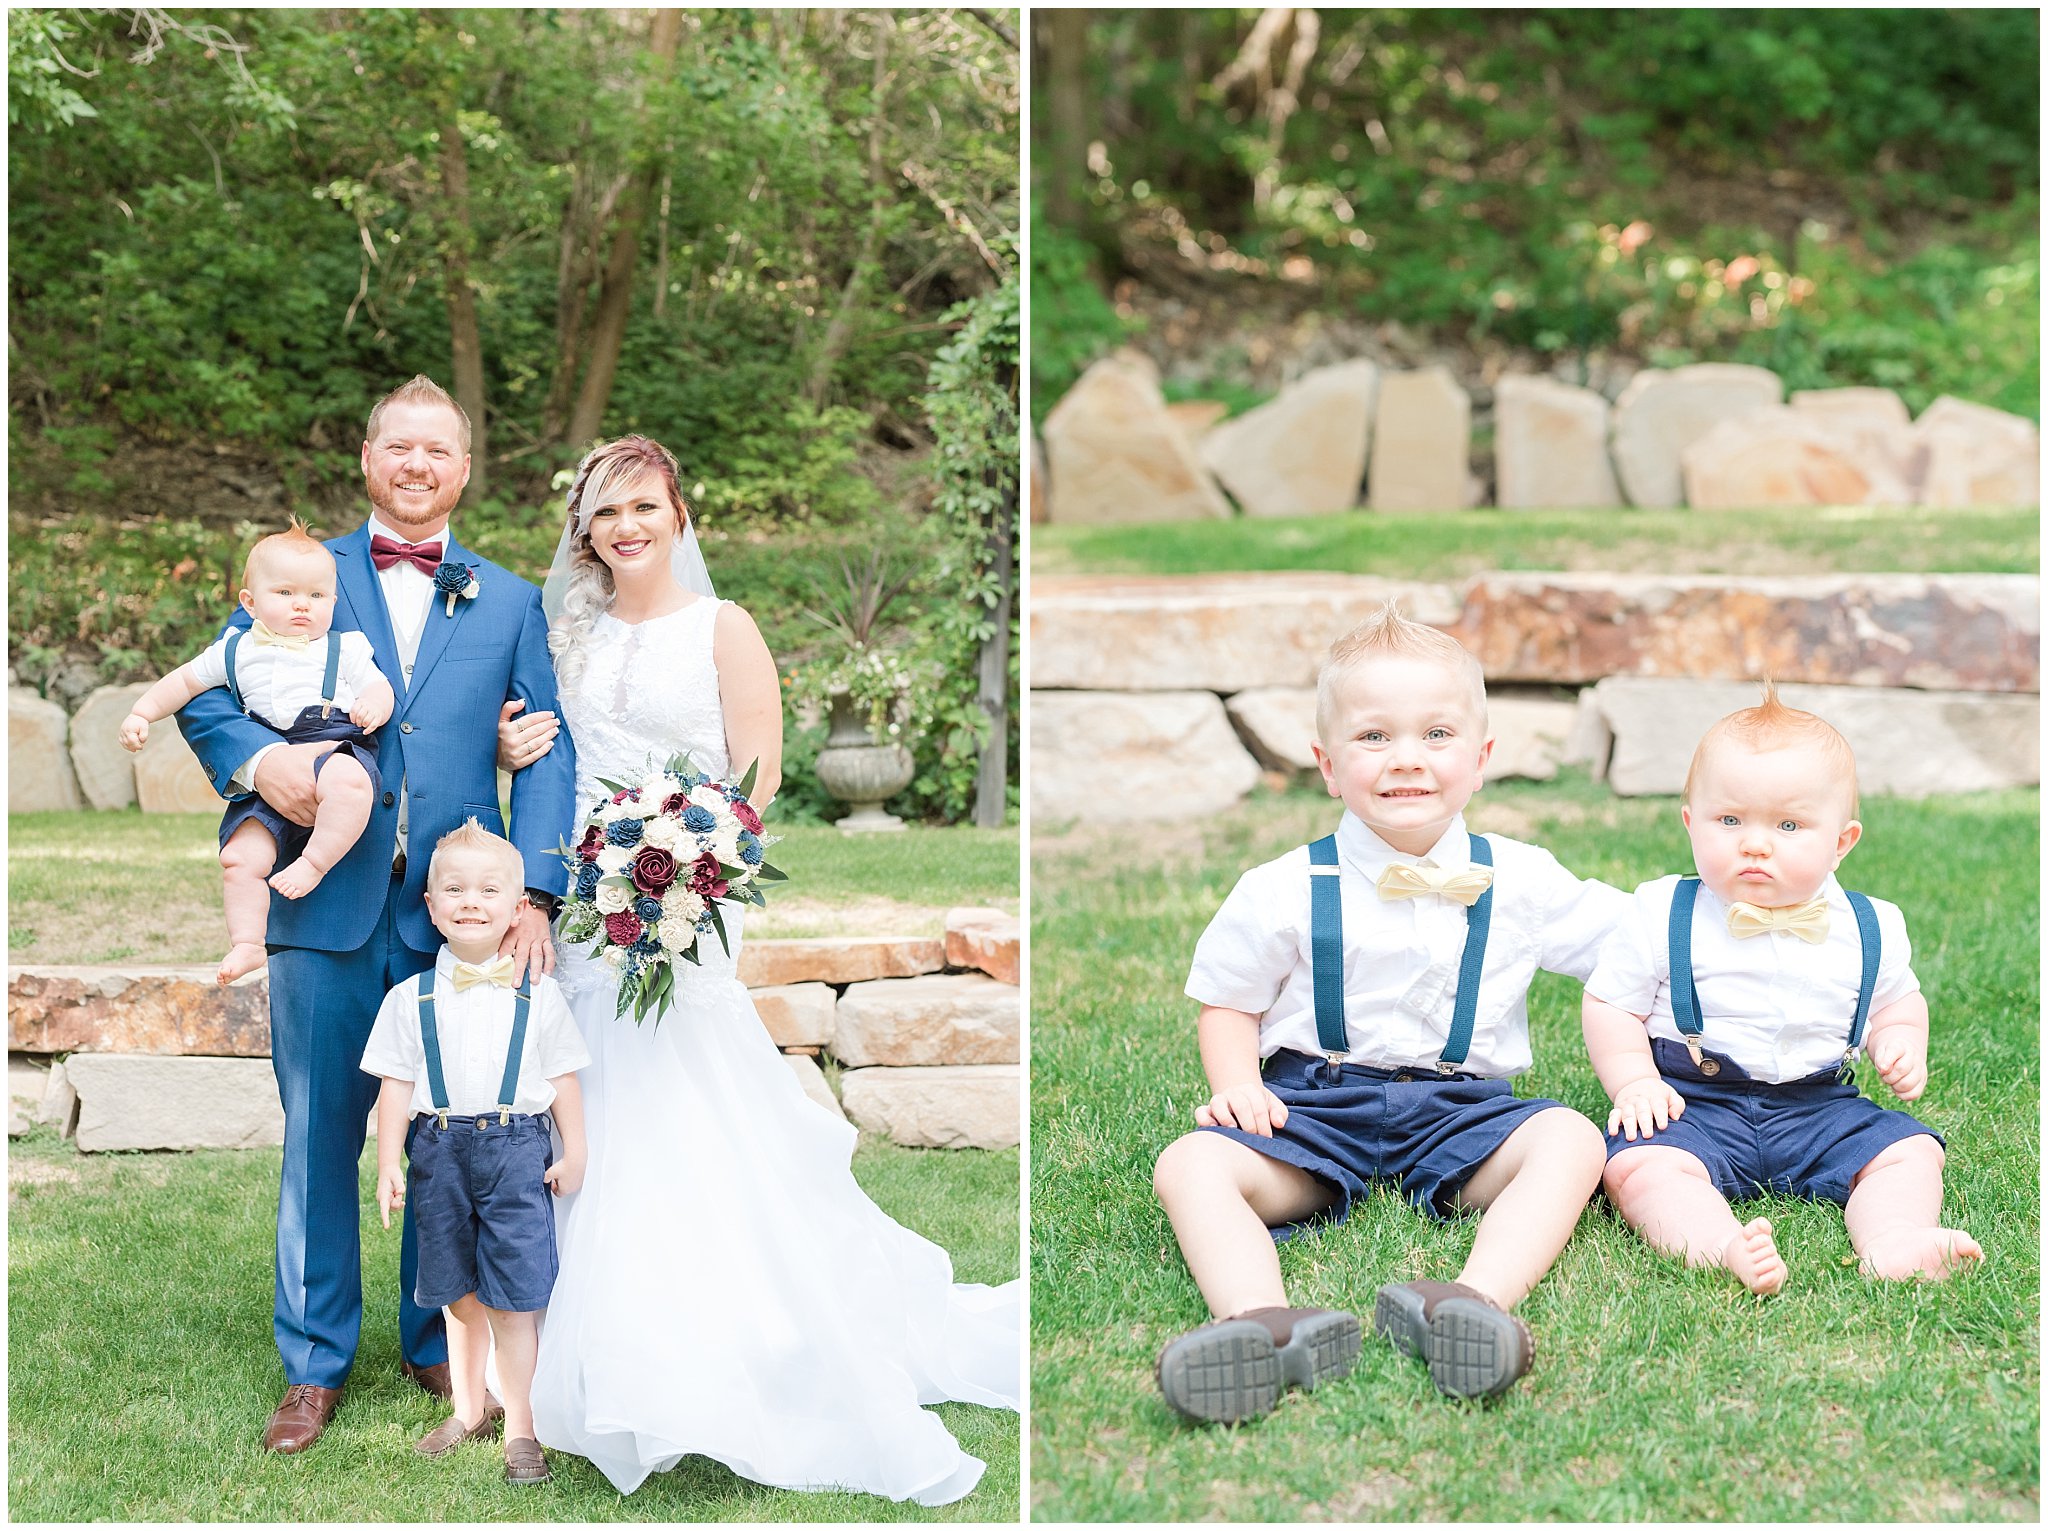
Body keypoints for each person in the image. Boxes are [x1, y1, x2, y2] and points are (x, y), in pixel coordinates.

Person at [496, 434, 1020, 1504]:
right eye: (605, 514)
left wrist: (689, 864)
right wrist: (520, 761)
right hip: (588, 890)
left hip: (690, 894)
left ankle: (741, 1344)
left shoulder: (722, 627)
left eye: (643, 507)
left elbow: (757, 769)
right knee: (589, 1095)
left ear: (677, 515)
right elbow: (552, 746)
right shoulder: (572, 633)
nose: (626, 528)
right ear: (584, 532)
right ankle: (593, 1355)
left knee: (684, 1098)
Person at [175, 375, 579, 1454]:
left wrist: (536, 889)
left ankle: (432, 1334)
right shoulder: (303, 572)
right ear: (367, 458)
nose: (416, 465)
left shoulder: (504, 597)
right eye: (397, 446)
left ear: (463, 467)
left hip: (457, 920)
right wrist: (263, 761)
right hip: (323, 903)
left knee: (447, 1135)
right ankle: (313, 1365)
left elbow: (546, 748)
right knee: (320, 1137)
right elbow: (213, 690)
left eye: (436, 450)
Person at [1151, 606, 1625, 1421]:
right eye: (1374, 737)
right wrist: (1237, 1083)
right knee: (1187, 1165)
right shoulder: (1282, 886)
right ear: (1329, 765)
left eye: (1436, 734)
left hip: (1461, 1113)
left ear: (1479, 760)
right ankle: (1260, 1325)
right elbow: (1228, 998)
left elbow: (1634, 948)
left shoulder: (1524, 877)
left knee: (1573, 1139)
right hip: (1314, 1109)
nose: (1407, 758)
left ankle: (1470, 1305)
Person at [1582, 686, 1983, 1292]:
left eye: (1789, 825)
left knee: (1909, 1153)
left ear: (1841, 842)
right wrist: (1635, 1081)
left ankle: (1892, 1238)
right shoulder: (1663, 910)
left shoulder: (1870, 924)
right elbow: (1611, 1003)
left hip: (1821, 1107)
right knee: (1641, 1166)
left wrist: (1900, 1038)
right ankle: (1721, 1246)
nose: (1755, 842)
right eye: (1729, 820)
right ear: (1691, 823)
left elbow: (1897, 1001)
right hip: (1693, 1102)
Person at [363, 821, 590, 1484]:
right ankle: (469, 1409)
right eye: (453, 887)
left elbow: (564, 1079)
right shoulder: (410, 999)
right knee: (456, 1295)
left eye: (489, 889)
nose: (470, 900)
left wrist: (573, 1150)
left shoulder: (539, 997)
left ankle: (520, 1423)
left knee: (514, 1297)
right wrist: (387, 1163)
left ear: (519, 907)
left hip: (516, 1152)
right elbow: (395, 1086)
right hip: (437, 1154)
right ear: (429, 904)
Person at [121, 519, 393, 984]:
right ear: (249, 603)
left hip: (331, 742)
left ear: (332, 601)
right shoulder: (234, 650)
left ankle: (313, 862)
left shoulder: (343, 647)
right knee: (239, 858)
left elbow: (377, 685)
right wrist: (142, 713)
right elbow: (185, 683)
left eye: (315, 596)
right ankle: (247, 942)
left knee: (350, 786)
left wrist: (375, 705)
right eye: (285, 594)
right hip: (269, 757)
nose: (302, 605)